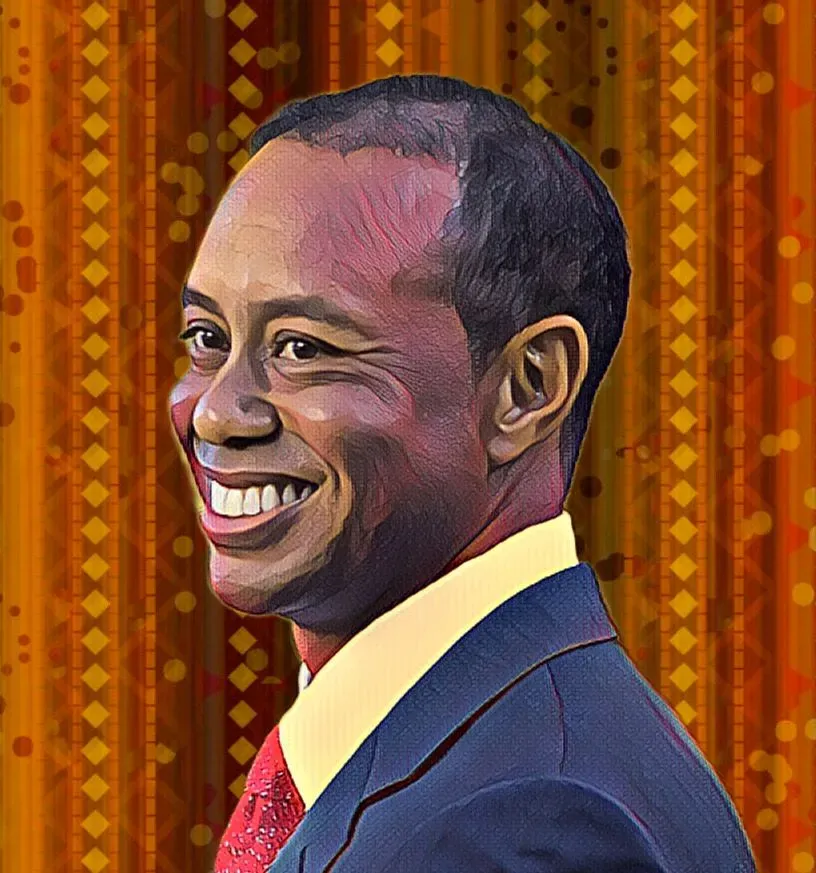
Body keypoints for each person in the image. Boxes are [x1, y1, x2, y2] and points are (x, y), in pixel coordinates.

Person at [169, 75, 755, 873]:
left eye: (303, 347)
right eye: (207, 337)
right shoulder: (479, 743)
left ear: (528, 388)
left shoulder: (528, 822)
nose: (214, 413)